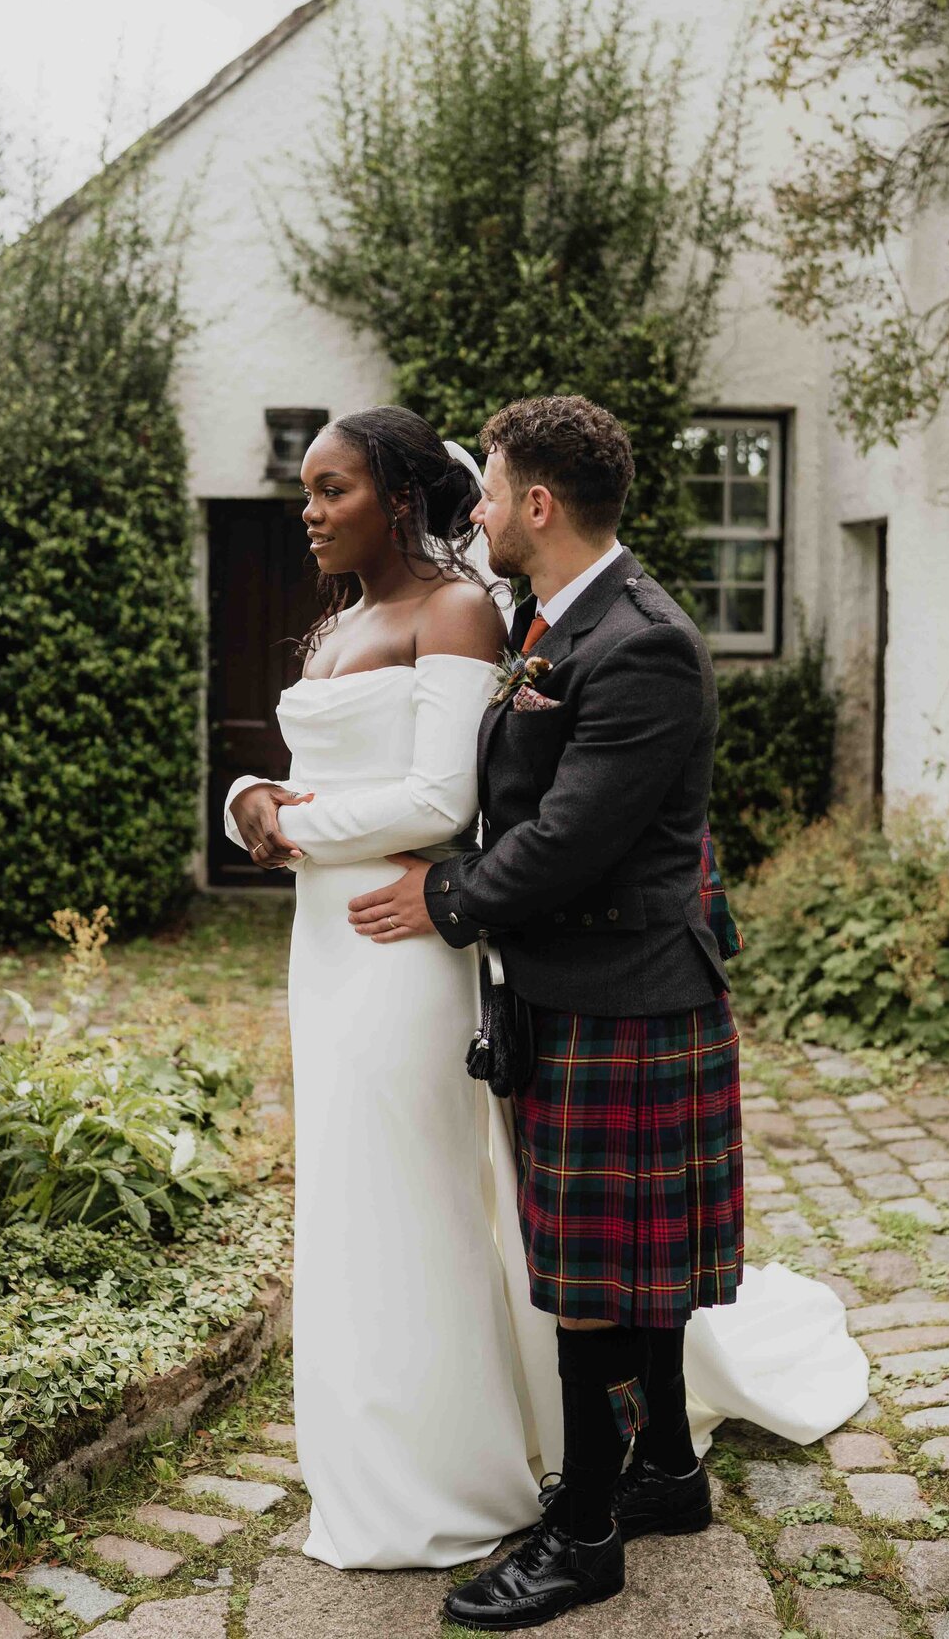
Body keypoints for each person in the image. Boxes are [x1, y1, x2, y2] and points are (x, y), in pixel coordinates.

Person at [343, 394, 748, 1629]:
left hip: (626, 993)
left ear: (536, 504)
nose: (473, 510)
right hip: (587, 985)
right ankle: (666, 1469)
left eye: (490, 487)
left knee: (587, 1272)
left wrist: (443, 893)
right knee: (623, 1264)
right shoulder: (550, 616)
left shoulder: (643, 641)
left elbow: (572, 839)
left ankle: (583, 1533)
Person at [222, 405, 556, 1570]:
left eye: (332, 490)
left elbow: (438, 802)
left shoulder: (453, 608)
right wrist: (249, 800)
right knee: (351, 1198)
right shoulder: (339, 624)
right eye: (306, 492)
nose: (308, 513)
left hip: (405, 945)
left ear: (401, 498)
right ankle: (367, 1452)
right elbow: (309, 773)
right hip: (326, 943)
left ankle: (450, 1471)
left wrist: (293, 829)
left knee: (414, 1190)